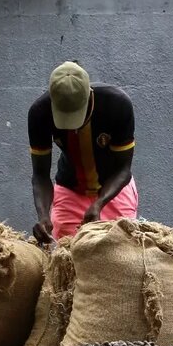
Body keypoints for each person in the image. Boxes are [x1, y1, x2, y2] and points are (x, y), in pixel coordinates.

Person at [28, 62, 138, 244]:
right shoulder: (39, 113)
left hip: (114, 192)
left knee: (120, 255)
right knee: (66, 260)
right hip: (70, 190)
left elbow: (123, 169)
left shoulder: (117, 105)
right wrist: (43, 216)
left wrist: (99, 203)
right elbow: (40, 175)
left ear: (89, 95)